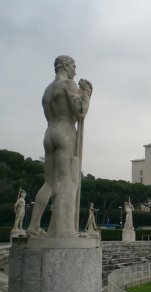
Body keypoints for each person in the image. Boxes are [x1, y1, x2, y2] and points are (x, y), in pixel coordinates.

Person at [27, 55, 92, 238]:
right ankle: (63, 229)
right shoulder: (68, 85)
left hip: (49, 134)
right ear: (65, 65)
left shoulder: (47, 91)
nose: (75, 71)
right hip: (65, 134)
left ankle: (33, 225)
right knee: (66, 181)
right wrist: (86, 93)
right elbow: (80, 111)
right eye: (74, 66)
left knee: (49, 182)